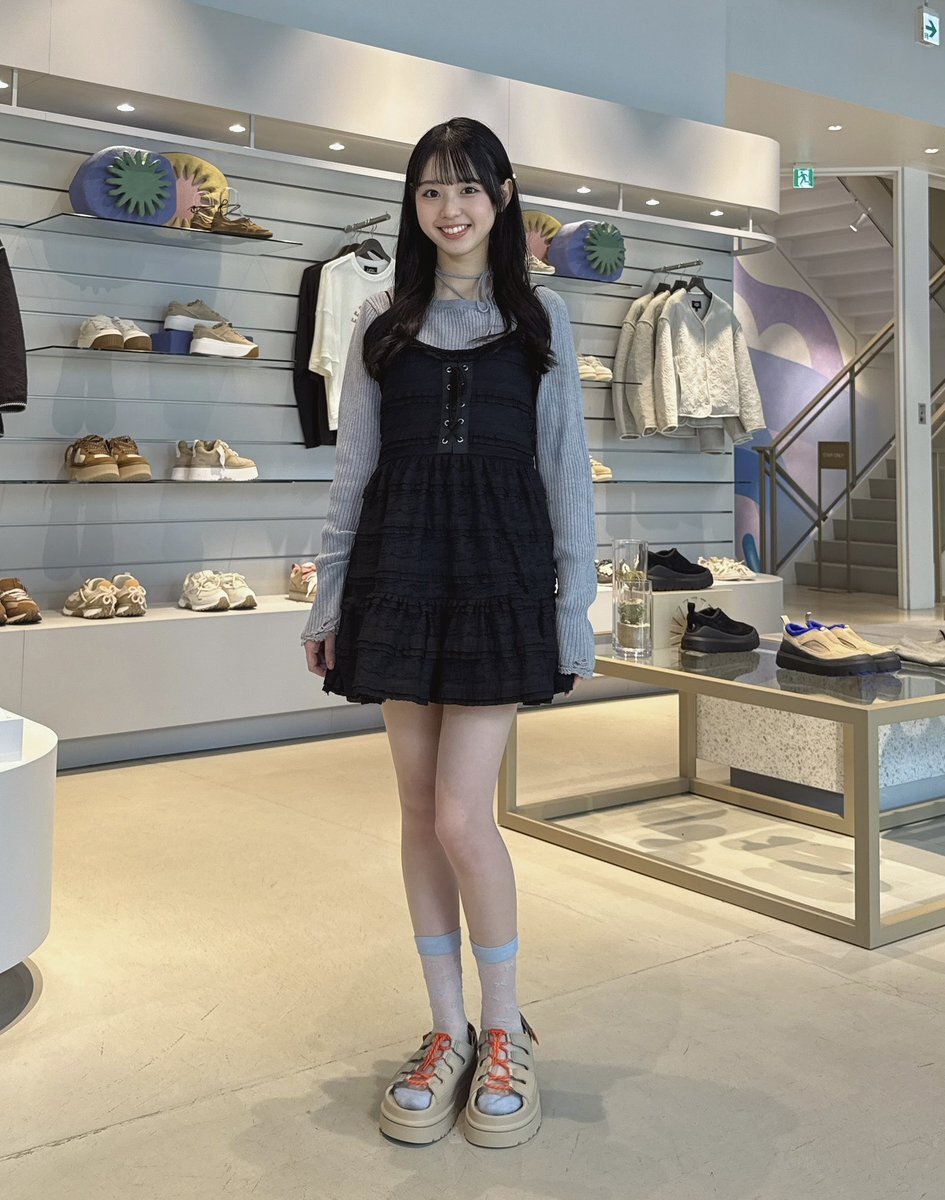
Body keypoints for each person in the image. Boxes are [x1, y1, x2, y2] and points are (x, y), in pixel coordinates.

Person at [301, 116, 597, 1148]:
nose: (449, 207)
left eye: (468, 187)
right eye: (430, 190)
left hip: (499, 577)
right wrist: (329, 597)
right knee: (418, 813)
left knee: (464, 816)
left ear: (503, 198)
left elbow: (565, 472)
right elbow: (354, 469)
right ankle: (447, 1030)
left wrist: (572, 609)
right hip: (399, 571)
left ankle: (505, 1028)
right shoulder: (380, 317)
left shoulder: (541, 317)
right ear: (413, 204)